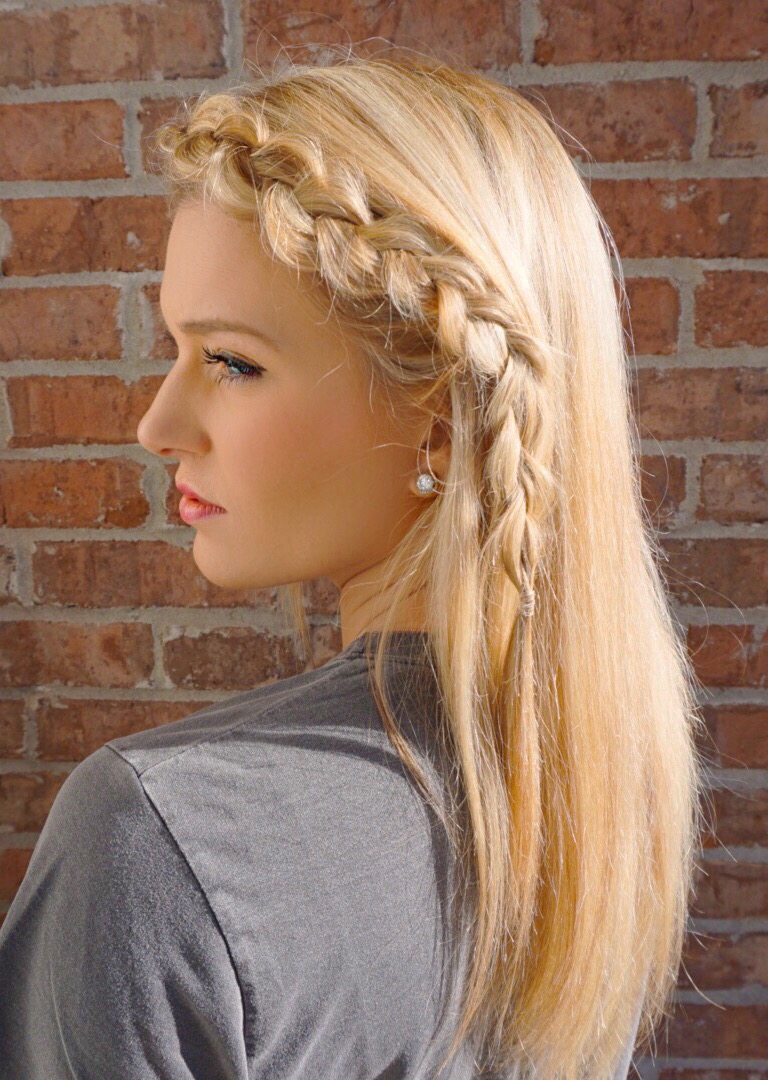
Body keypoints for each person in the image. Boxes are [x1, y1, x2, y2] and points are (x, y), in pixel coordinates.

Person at [0, 48, 706, 1078]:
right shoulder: (597, 782)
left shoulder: (159, 841)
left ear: (439, 421)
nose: (157, 424)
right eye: (175, 351)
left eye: (232, 361)